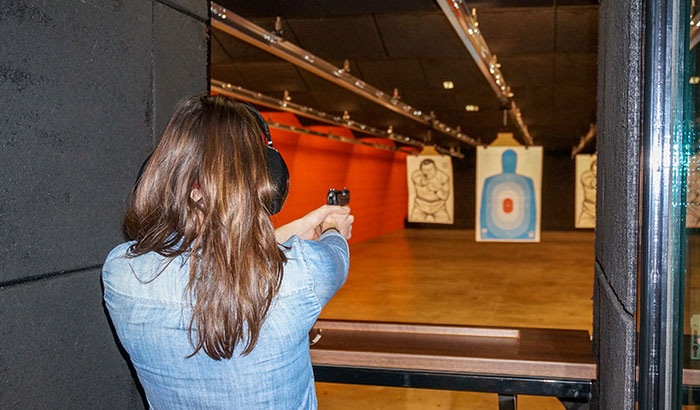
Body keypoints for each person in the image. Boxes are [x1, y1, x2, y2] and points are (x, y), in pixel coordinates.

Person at [102, 94, 353, 409]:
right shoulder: (302, 274)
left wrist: (298, 227)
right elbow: (336, 252)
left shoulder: (121, 271)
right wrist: (331, 227)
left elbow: (212, 258)